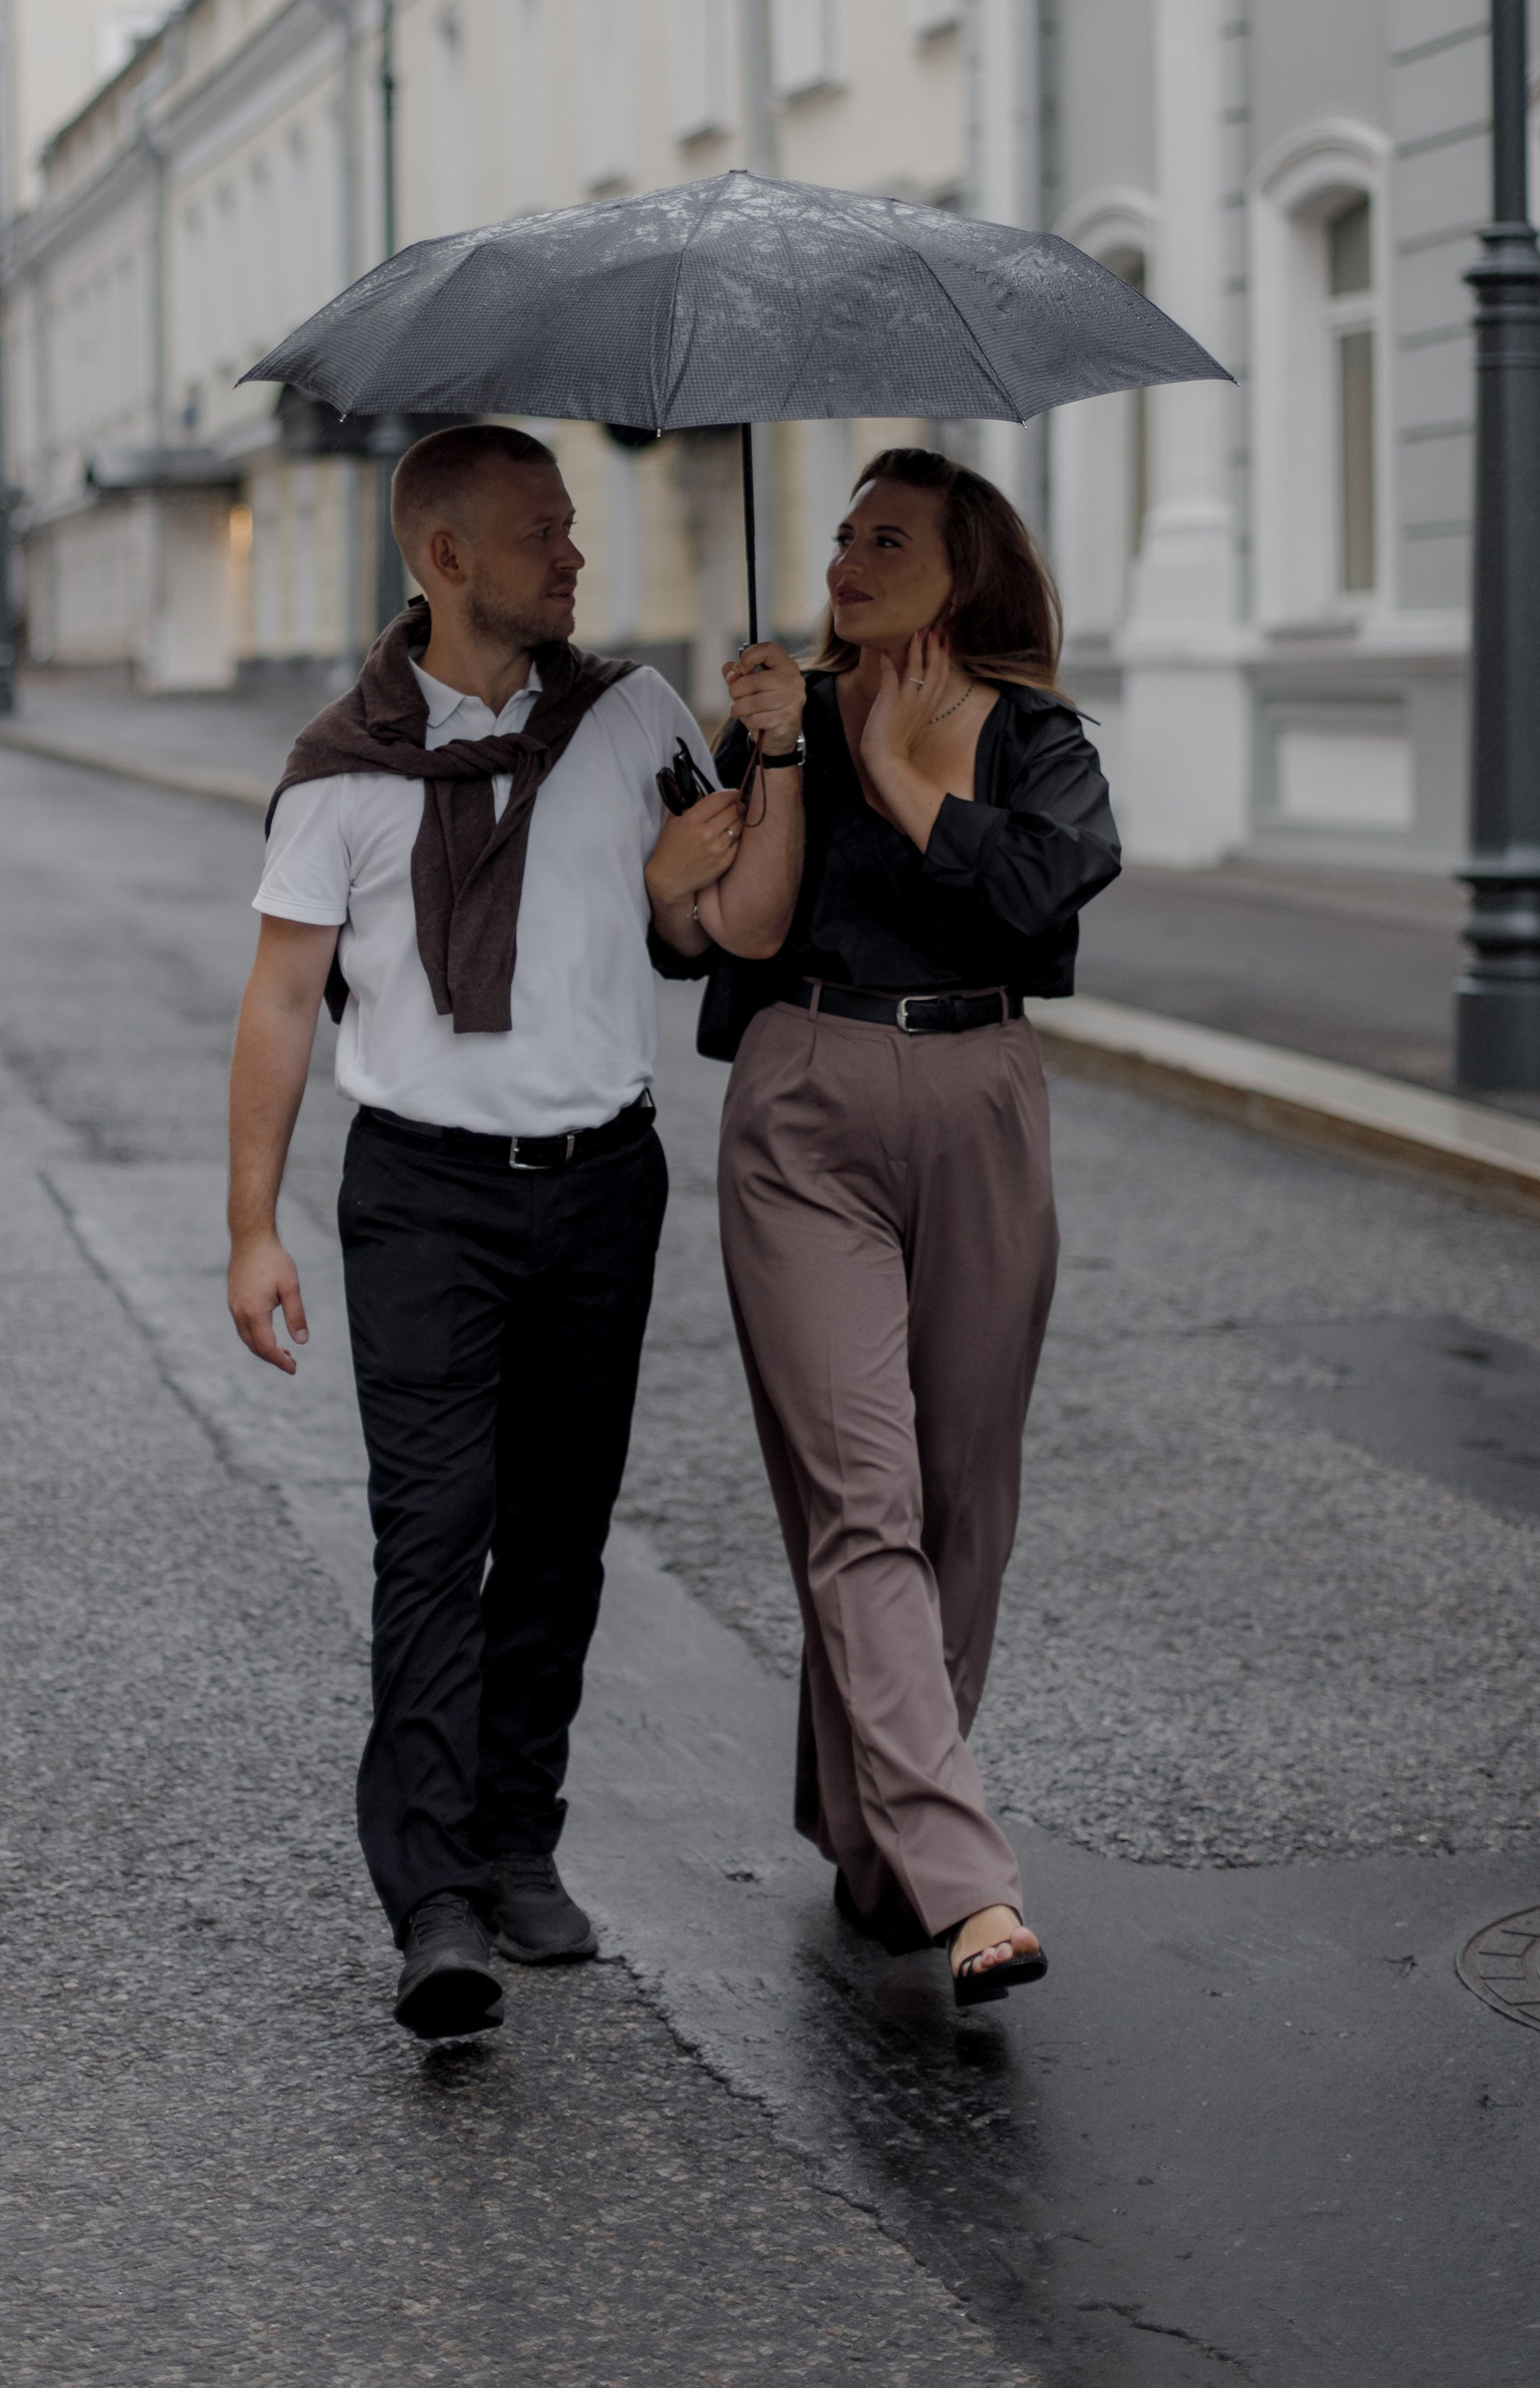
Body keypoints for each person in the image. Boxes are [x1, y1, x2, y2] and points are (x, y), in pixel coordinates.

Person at [225, 423, 800, 2042]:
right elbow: (279, 1001)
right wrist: (247, 1228)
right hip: (421, 1194)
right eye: (544, 533)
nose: (575, 557)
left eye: (573, 529)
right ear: (446, 561)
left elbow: (719, 926)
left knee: (558, 1530)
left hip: (600, 1180)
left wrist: (742, 799)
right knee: (434, 1538)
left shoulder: (636, 714)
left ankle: (519, 1838)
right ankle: (437, 1903)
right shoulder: (344, 769)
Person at [686, 446, 1120, 2010]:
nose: (849, 560)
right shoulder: (778, 711)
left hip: (985, 1088)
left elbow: (1052, 892)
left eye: (891, 539)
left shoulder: (1032, 736)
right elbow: (709, 926)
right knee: (862, 1498)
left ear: (968, 573)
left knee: (961, 1501)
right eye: (845, 534)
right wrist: (784, 764)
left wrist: (918, 786)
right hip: (807, 1095)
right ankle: (965, 1880)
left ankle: (871, 1835)